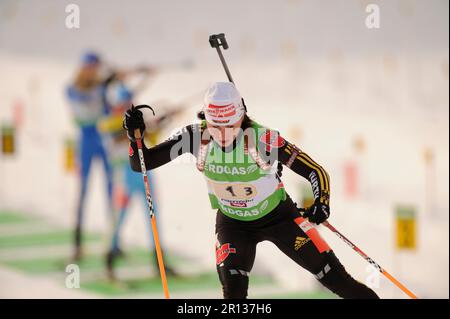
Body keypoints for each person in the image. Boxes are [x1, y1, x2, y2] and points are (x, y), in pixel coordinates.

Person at [123, 81, 379, 299]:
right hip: (233, 225)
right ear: (205, 119)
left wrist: (321, 202)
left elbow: (315, 171)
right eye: (215, 127)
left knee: (336, 280)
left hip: (280, 218)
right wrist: (135, 137)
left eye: (230, 126)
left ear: (241, 117)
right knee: (234, 295)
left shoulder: (263, 139)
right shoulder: (194, 137)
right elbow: (141, 163)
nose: (222, 134)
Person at [99, 83, 181, 279]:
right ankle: (109, 260)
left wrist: (163, 122)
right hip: (124, 178)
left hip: (144, 175)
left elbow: (152, 140)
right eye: (123, 103)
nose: (126, 107)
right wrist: (139, 127)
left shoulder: (136, 123)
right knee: (119, 219)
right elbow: (114, 134)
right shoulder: (108, 122)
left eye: (128, 103)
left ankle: (159, 262)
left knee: (153, 218)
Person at [66, 52, 116, 261]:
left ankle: (112, 244)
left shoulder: (101, 88)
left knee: (111, 191)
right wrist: (106, 82)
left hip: (103, 140)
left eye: (94, 68)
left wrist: (112, 78)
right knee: (83, 190)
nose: (92, 72)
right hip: (86, 141)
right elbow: (84, 101)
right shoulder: (73, 89)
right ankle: (77, 244)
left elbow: (108, 110)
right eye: (90, 67)